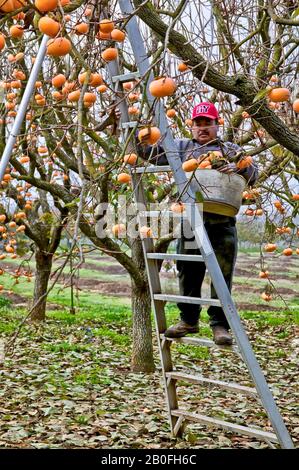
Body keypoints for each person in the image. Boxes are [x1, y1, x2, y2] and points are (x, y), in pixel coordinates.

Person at [138, 102, 258, 345]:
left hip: (222, 220)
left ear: (217, 125)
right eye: (198, 123)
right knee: (187, 270)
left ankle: (219, 325)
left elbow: (253, 173)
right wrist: (137, 136)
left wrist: (237, 167)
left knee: (222, 275)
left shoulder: (230, 148)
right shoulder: (180, 147)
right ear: (191, 126)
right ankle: (189, 320)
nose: (203, 128)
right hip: (191, 221)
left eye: (208, 123)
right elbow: (150, 155)